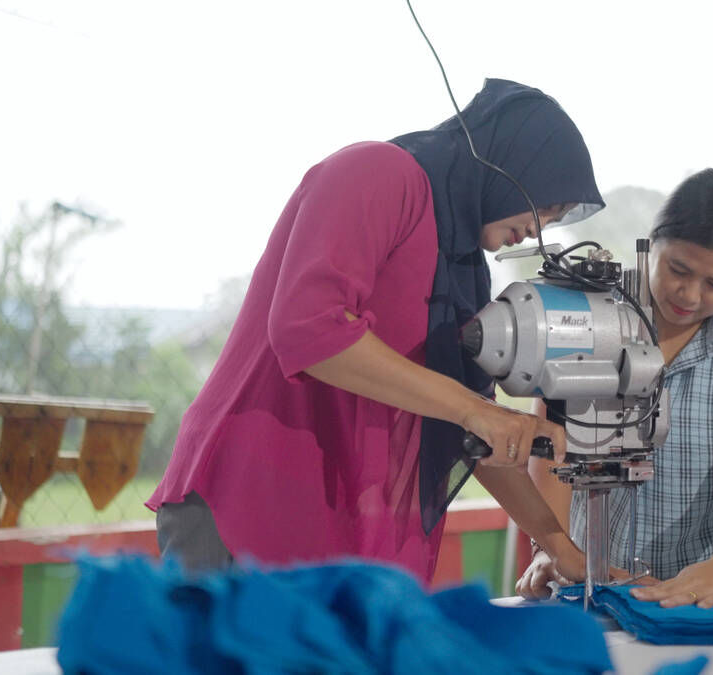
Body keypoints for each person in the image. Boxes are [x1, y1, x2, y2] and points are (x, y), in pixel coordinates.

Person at [147, 79, 604, 584]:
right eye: (545, 205)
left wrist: (558, 547)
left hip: (337, 521)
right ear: (513, 162)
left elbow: (470, 429)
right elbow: (308, 329)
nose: (540, 229)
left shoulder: (462, 269)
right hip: (252, 496)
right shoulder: (379, 172)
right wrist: (477, 411)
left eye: (555, 220)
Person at [516, 168, 713, 608]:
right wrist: (551, 549)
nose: (688, 295)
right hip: (589, 576)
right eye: (678, 269)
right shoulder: (592, 314)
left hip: (705, 583)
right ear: (651, 243)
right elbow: (552, 446)